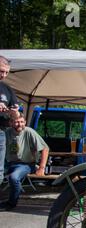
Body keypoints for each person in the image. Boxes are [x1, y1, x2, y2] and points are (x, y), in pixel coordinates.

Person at [0, 113, 49, 210]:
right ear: (11, 123)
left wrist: (41, 168)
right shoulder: (6, 132)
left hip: (25, 164)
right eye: (17, 122)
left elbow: (45, 148)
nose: (20, 124)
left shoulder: (29, 132)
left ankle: (11, 203)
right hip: (8, 163)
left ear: (25, 122)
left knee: (14, 178)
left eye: (22, 122)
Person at [0, 56, 20, 184]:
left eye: (6, 72)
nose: (4, 75)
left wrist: (14, 112)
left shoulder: (7, 89)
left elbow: (17, 116)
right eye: (1, 71)